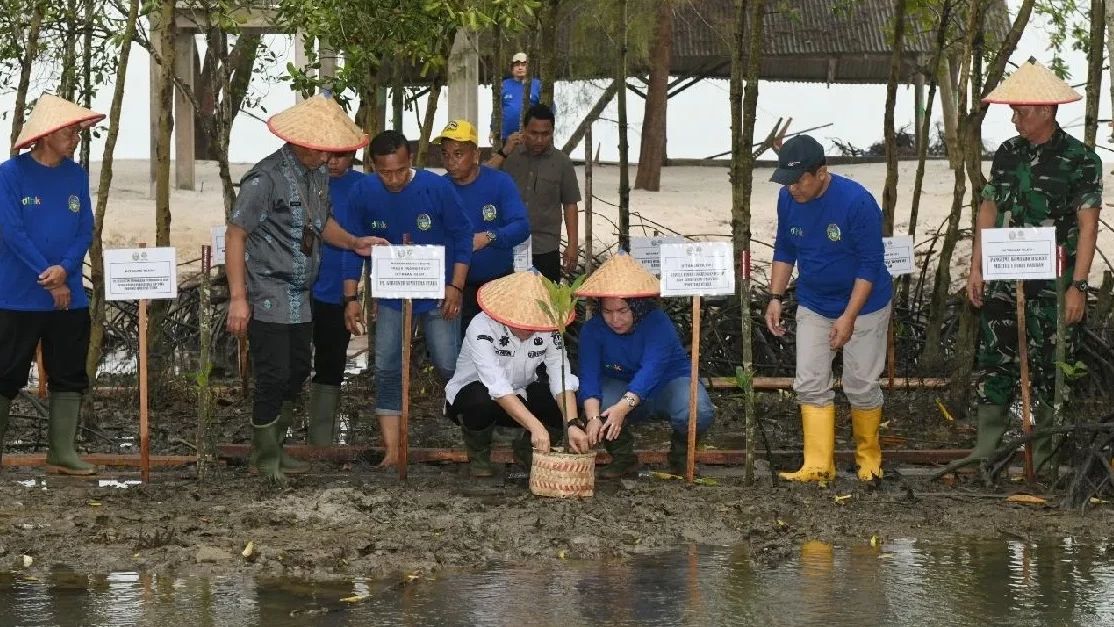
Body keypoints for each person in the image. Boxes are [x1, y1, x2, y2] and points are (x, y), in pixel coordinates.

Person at [226, 95, 384, 482]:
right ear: (303, 143)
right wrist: (237, 299)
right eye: (324, 150)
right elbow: (235, 234)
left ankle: (276, 448)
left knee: (298, 371)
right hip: (266, 292)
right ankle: (263, 458)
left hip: (302, 296)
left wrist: (352, 242)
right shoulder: (265, 179)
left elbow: (320, 222)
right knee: (273, 373)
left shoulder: (317, 176)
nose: (331, 157)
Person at [964, 59, 1101, 474]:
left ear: (1046, 111)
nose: (1014, 117)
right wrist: (976, 266)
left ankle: (1043, 460)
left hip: (1054, 283)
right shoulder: (1008, 153)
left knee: (1052, 365)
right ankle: (987, 452)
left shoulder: (1080, 159)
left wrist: (1078, 285)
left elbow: (1088, 223)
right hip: (1005, 277)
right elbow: (988, 207)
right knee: (995, 360)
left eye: (1021, 110)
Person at [764, 134, 893, 483]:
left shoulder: (857, 203)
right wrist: (775, 297)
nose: (792, 188)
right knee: (808, 380)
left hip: (865, 305)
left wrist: (849, 317)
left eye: (799, 180)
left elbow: (869, 265)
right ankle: (818, 465)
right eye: (786, 181)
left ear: (822, 172)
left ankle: (869, 458)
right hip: (815, 302)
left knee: (861, 383)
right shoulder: (787, 198)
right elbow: (784, 248)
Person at [342, 130, 472, 468]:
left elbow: (462, 236)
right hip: (391, 296)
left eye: (400, 170)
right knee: (386, 367)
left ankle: (476, 428)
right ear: (373, 167)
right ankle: (393, 449)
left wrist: (456, 286)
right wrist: (351, 295)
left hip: (439, 293)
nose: (395, 179)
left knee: (448, 363)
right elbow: (353, 245)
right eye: (386, 172)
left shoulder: (436, 187)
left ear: (411, 160)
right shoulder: (363, 191)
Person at [0, 95, 103, 475]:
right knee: (5, 371)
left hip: (69, 293)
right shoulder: (10, 175)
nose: (75, 136)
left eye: (77, 130)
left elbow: (84, 228)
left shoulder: (76, 175)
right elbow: (12, 231)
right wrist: (48, 275)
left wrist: (66, 269)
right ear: (44, 135)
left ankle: (62, 452)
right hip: (18, 294)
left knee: (69, 371)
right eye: (68, 130)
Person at [576, 253, 714, 478]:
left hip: (667, 382)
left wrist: (623, 407)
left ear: (637, 307)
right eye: (607, 312)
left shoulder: (658, 323)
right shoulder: (592, 330)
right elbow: (588, 376)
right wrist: (592, 419)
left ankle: (681, 457)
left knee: (698, 411)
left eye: (622, 311)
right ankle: (623, 458)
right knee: (601, 407)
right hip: (619, 385)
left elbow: (652, 370)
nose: (615, 320)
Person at [444, 271, 586, 477]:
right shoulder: (481, 326)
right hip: (475, 397)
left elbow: (561, 377)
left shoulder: (550, 326)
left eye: (533, 320)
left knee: (568, 402)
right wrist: (536, 426)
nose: (528, 327)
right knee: (480, 399)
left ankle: (529, 450)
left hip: (521, 393)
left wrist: (572, 423)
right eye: (520, 320)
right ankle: (479, 454)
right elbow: (497, 386)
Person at [436, 119, 529, 332]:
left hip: (498, 285)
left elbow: (522, 226)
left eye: (458, 154)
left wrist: (488, 237)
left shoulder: (500, 183)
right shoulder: (438, 188)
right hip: (455, 289)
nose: (450, 161)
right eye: (445, 154)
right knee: (456, 356)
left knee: (500, 350)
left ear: (476, 155)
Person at [305, 149, 367, 446]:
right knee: (291, 362)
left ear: (353, 153)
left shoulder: (364, 187)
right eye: (327, 155)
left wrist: (351, 296)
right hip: (297, 290)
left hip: (337, 291)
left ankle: (320, 441)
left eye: (340, 156)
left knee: (331, 363)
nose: (332, 162)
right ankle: (280, 437)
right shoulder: (301, 180)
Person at [489, 104, 580, 282]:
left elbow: (570, 204)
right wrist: (504, 151)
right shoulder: (509, 155)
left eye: (545, 134)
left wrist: (572, 245)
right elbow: (481, 177)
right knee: (506, 303)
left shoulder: (562, 163)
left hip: (545, 248)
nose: (539, 140)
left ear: (553, 132)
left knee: (544, 304)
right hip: (508, 245)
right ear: (523, 130)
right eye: (533, 133)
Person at [499, 52, 541, 142]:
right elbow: (498, 109)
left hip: (532, 137)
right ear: (512, 68)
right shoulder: (504, 85)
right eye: (517, 65)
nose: (520, 67)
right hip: (507, 137)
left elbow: (549, 108)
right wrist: (492, 130)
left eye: (523, 64)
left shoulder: (538, 85)